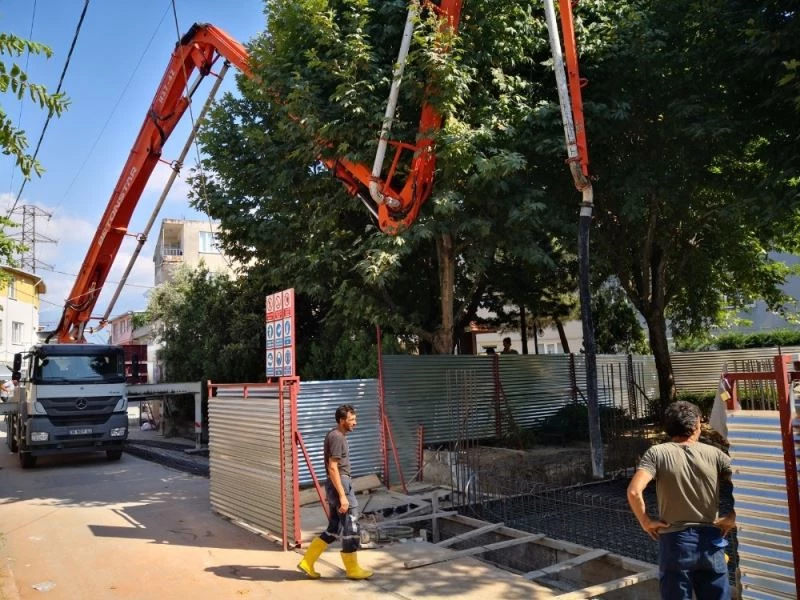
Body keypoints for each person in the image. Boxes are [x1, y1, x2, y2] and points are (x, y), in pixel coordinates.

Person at [627, 401, 736, 600]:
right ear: (697, 424)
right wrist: (732, 518)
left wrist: (646, 522)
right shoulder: (715, 454)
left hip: (675, 543)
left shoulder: (657, 453)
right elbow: (747, 486)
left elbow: (634, 492)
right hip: (712, 540)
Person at [297, 404, 373, 580]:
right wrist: (342, 496)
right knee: (351, 526)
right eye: (352, 420)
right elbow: (333, 468)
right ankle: (352, 569)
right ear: (342, 420)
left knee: (334, 528)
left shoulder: (334, 434)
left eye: (355, 419)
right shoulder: (337, 437)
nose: (355, 422)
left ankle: (307, 562)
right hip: (341, 485)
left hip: (335, 485)